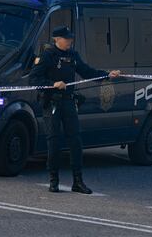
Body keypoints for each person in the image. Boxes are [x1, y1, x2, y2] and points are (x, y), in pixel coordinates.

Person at [30, 25, 120, 194]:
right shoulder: (48, 56)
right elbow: (34, 79)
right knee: (53, 141)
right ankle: (53, 180)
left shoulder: (72, 55)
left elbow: (86, 71)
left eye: (70, 38)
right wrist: (52, 85)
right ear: (57, 39)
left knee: (75, 141)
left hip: (68, 102)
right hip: (52, 103)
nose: (70, 41)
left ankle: (77, 181)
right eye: (67, 38)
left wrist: (107, 74)